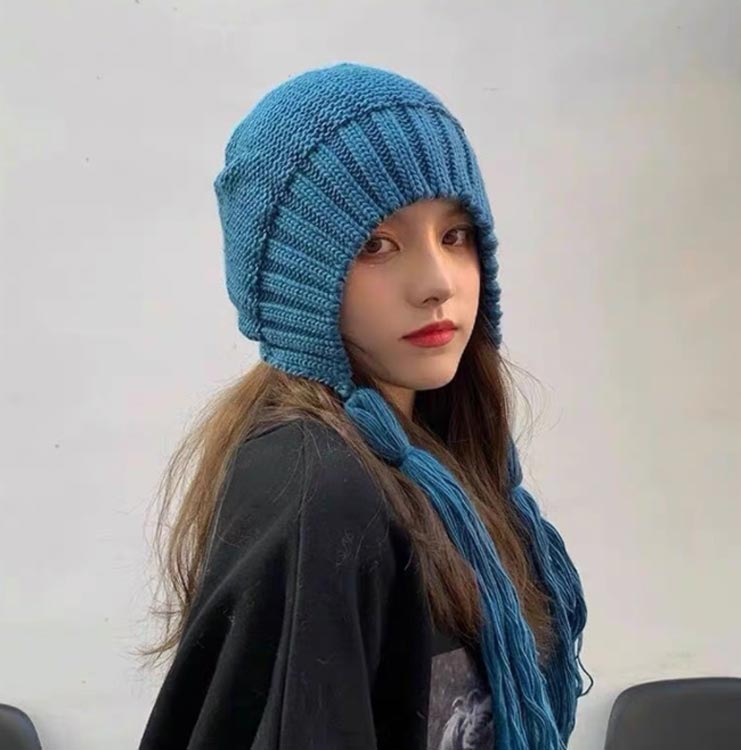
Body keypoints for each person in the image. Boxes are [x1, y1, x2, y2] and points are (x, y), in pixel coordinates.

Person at [136, 61, 594, 750]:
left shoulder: (436, 461)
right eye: (377, 245)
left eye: (455, 235)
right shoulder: (318, 485)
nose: (437, 283)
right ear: (298, 282)